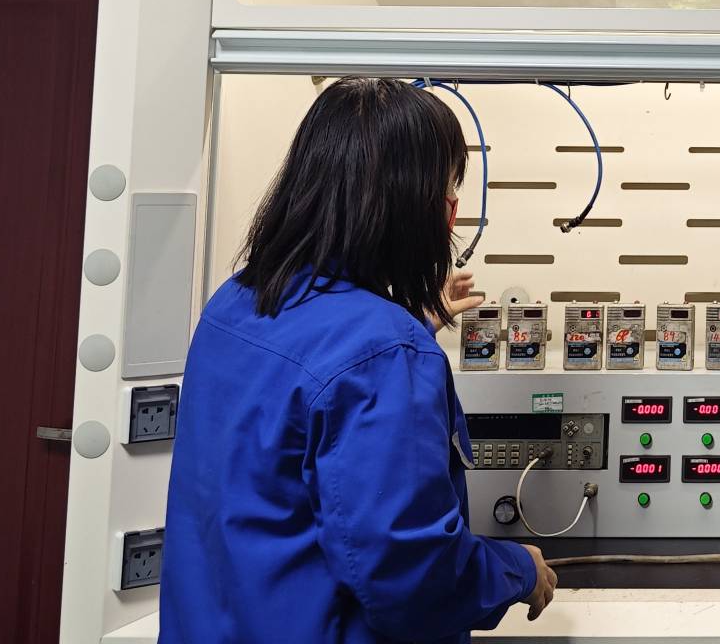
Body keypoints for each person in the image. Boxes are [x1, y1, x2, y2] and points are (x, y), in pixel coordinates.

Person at [161, 77, 558, 643]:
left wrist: (407, 331)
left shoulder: (236, 303)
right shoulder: (384, 355)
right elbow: (413, 578)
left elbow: (295, 420)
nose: (451, 213)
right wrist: (518, 569)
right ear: (410, 204)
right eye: (447, 190)